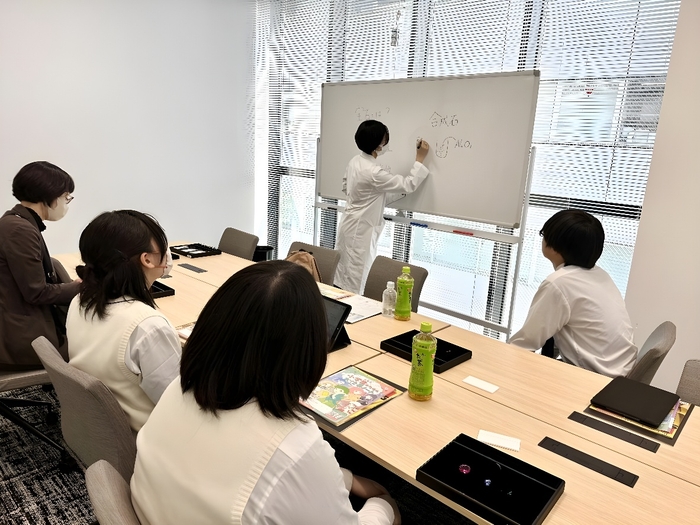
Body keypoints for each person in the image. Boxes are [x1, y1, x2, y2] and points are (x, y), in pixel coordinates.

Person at [131, 260, 400, 525]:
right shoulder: (295, 447)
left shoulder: (178, 389)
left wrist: (340, 477)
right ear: (307, 354)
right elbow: (286, 469)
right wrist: (383, 506)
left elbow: (265, 472)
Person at [66, 210, 180, 432]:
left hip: (100, 427)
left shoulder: (80, 301)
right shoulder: (147, 326)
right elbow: (178, 405)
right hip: (147, 435)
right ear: (147, 259)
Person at [509, 209, 637, 377]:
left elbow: (524, 344)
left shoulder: (559, 283)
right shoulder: (600, 274)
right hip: (621, 371)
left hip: (595, 378)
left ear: (555, 246)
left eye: (544, 235)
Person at [0, 161, 81, 370]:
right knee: (93, 348)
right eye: (66, 197)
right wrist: (83, 286)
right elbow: (36, 293)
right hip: (21, 341)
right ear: (50, 196)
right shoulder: (20, 230)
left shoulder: (16, 222)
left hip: (15, 326)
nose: (67, 203)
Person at [335, 120, 430, 294]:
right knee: (355, 282)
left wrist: (373, 198)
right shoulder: (373, 172)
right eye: (384, 139)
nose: (386, 143)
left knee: (343, 277)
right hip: (360, 232)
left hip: (349, 225)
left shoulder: (355, 161)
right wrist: (420, 160)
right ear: (378, 144)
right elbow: (407, 184)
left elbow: (347, 188)